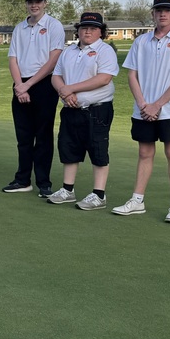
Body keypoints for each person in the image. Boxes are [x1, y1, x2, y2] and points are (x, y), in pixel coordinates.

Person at [112, 0, 170, 223]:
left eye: (168, 10)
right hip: (142, 108)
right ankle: (137, 200)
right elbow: (132, 75)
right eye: (159, 10)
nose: (162, 14)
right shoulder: (141, 41)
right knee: (145, 152)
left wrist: (157, 105)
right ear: (153, 13)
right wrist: (143, 104)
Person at [46, 12, 120, 210]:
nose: (88, 31)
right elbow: (56, 76)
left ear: (101, 32)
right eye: (84, 27)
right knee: (69, 148)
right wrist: (65, 92)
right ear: (78, 30)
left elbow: (104, 78)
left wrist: (71, 89)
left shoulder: (105, 51)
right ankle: (68, 190)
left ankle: (99, 195)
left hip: (97, 110)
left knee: (98, 150)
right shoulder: (68, 51)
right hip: (71, 108)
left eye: (93, 28)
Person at [4, 0, 64, 197]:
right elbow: (13, 58)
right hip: (21, 84)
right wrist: (19, 84)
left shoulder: (54, 25)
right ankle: (22, 180)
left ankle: (43, 182)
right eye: (31, 1)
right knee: (23, 136)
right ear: (26, 4)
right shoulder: (19, 28)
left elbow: (53, 59)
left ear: (45, 3)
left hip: (44, 85)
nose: (34, 5)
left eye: (38, 1)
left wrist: (28, 86)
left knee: (43, 136)